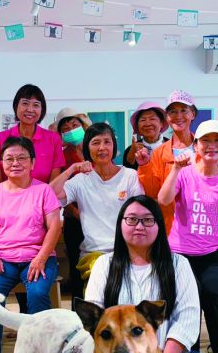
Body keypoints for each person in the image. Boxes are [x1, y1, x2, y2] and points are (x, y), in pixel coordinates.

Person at [85, 195, 216, 353]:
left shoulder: (178, 265)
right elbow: (94, 320)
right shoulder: (104, 265)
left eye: (147, 220)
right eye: (132, 220)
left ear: (159, 225)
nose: (139, 226)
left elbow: (186, 321)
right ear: (120, 224)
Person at [158, 120, 218, 353]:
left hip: (213, 254)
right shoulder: (185, 174)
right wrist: (175, 168)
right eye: (206, 141)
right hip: (179, 254)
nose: (212, 146)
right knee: (188, 297)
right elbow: (163, 199)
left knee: (211, 293)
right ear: (196, 146)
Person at [0, 136, 62, 353]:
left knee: (36, 294)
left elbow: (54, 226)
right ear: (2, 164)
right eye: (9, 159)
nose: (15, 163)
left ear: (33, 162)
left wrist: (41, 258)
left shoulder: (43, 190)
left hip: (38, 257)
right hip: (3, 260)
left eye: (22, 157)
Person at [49, 122, 143, 285]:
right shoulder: (80, 180)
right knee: (105, 282)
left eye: (107, 142)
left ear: (114, 146)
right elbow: (48, 196)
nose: (102, 148)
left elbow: (139, 213)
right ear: (87, 148)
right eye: (96, 143)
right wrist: (71, 169)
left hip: (126, 252)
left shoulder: (130, 176)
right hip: (93, 255)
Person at [137, 90, 198, 233]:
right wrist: (144, 166)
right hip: (170, 229)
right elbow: (152, 193)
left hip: (200, 226)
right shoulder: (159, 153)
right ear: (167, 117)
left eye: (184, 110)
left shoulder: (204, 149)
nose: (178, 116)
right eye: (172, 112)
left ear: (192, 114)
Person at [0, 84, 65, 185]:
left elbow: (55, 181)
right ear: (16, 106)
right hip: (9, 199)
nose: (30, 109)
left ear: (42, 110)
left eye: (36, 105)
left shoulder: (53, 139)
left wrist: (44, 199)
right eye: (25, 103)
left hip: (44, 198)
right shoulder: (0, 139)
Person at [52, 107, 92, 298]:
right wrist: (76, 213)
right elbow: (57, 189)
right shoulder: (61, 155)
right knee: (76, 267)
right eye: (65, 129)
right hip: (74, 219)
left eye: (74, 125)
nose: (70, 130)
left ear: (83, 125)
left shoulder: (95, 149)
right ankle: (78, 309)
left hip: (99, 217)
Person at [124, 101, 167, 170]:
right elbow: (128, 175)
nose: (147, 124)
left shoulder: (172, 146)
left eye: (152, 119)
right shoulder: (131, 150)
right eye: (143, 120)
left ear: (161, 123)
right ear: (137, 126)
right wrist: (131, 155)